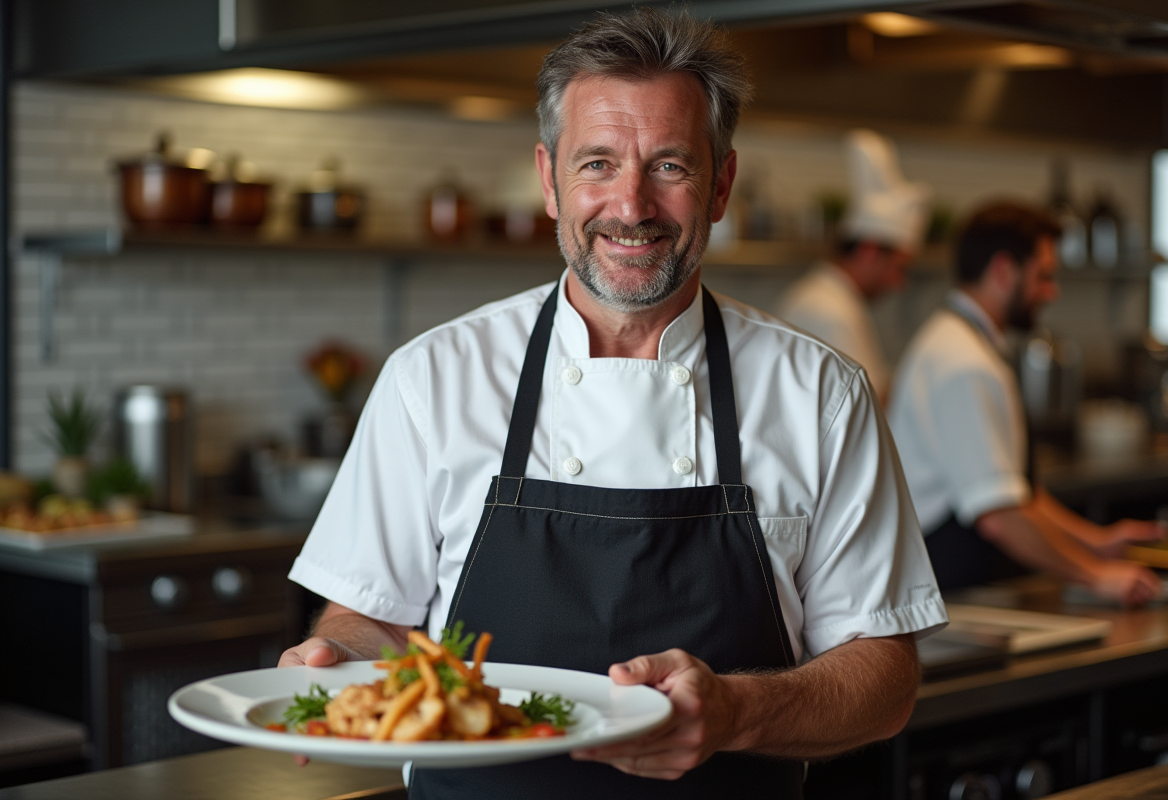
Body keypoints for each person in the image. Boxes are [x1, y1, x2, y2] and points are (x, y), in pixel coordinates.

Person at [281, 9, 947, 798]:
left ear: (721, 185)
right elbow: (371, 618)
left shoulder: (820, 393)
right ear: (548, 180)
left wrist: (736, 712)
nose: (631, 206)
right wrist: (340, 662)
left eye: (670, 166)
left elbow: (884, 678)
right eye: (597, 163)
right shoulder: (431, 379)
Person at [888, 201, 1164, 605]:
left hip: (967, 587)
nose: (1052, 292)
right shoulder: (962, 362)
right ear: (1004, 271)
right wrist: (1097, 576)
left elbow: (1016, 493)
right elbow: (1000, 516)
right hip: (949, 599)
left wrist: (1096, 543)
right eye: (1044, 277)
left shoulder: (963, 343)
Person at [777, 129, 930, 403]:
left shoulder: (839, 301)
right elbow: (861, 407)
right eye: (898, 268)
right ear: (869, 251)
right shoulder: (827, 310)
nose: (900, 282)